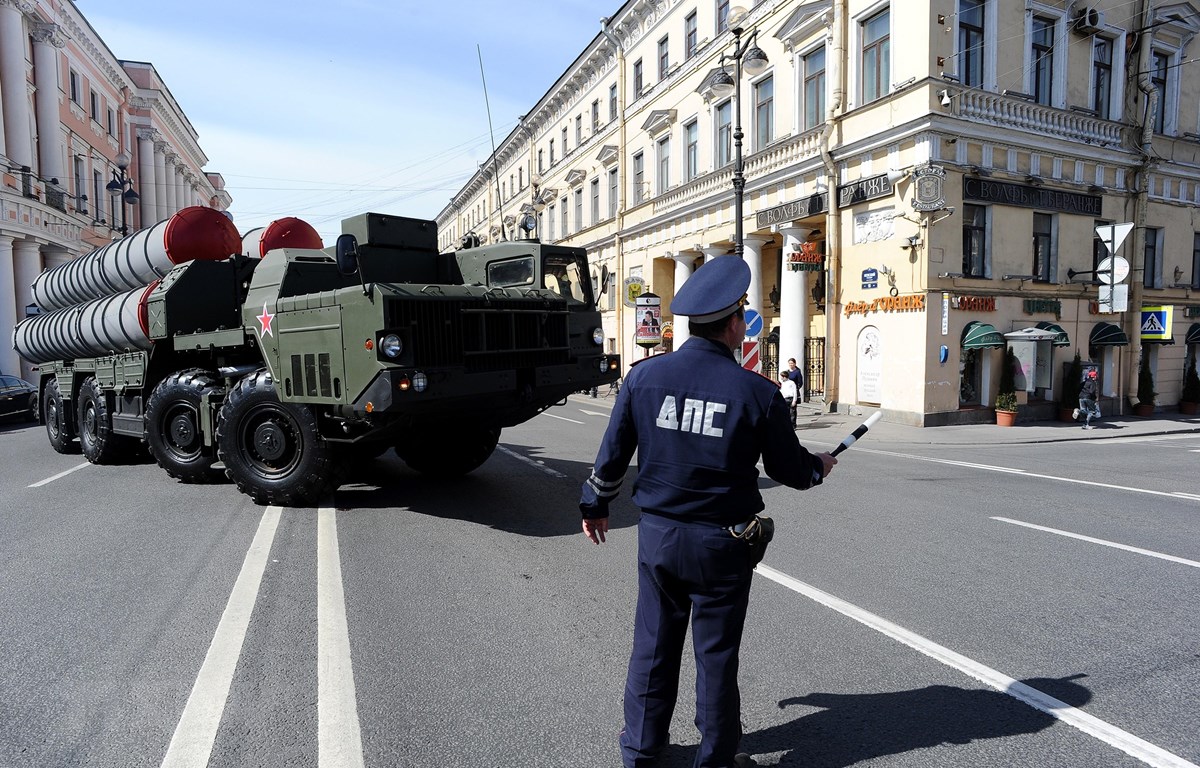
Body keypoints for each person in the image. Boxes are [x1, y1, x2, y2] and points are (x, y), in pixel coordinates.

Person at [579, 256, 837, 768]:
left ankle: (641, 754)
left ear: (693, 322)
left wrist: (596, 503)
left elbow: (611, 456)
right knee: (715, 657)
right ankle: (715, 760)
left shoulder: (643, 377)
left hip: (658, 537)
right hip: (722, 544)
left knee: (652, 649)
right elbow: (790, 470)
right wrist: (818, 467)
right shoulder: (758, 392)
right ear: (736, 324)